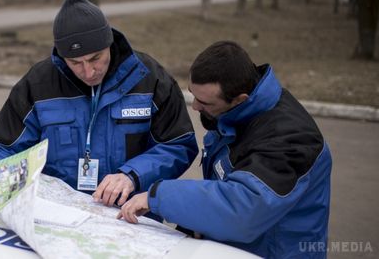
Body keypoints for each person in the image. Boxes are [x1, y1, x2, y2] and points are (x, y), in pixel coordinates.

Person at [0, 0, 198, 208]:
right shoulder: (37, 84)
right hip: (60, 215)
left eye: (95, 58)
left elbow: (178, 144)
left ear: (109, 43)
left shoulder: (150, 79)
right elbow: (2, 146)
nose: (89, 71)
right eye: (75, 62)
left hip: (130, 215)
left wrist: (133, 175)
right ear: (62, 57)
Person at [118, 41, 332, 258]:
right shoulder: (235, 113)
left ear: (240, 99)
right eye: (192, 93)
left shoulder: (291, 139)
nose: (195, 107)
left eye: (204, 102)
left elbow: (244, 209)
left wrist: (159, 197)